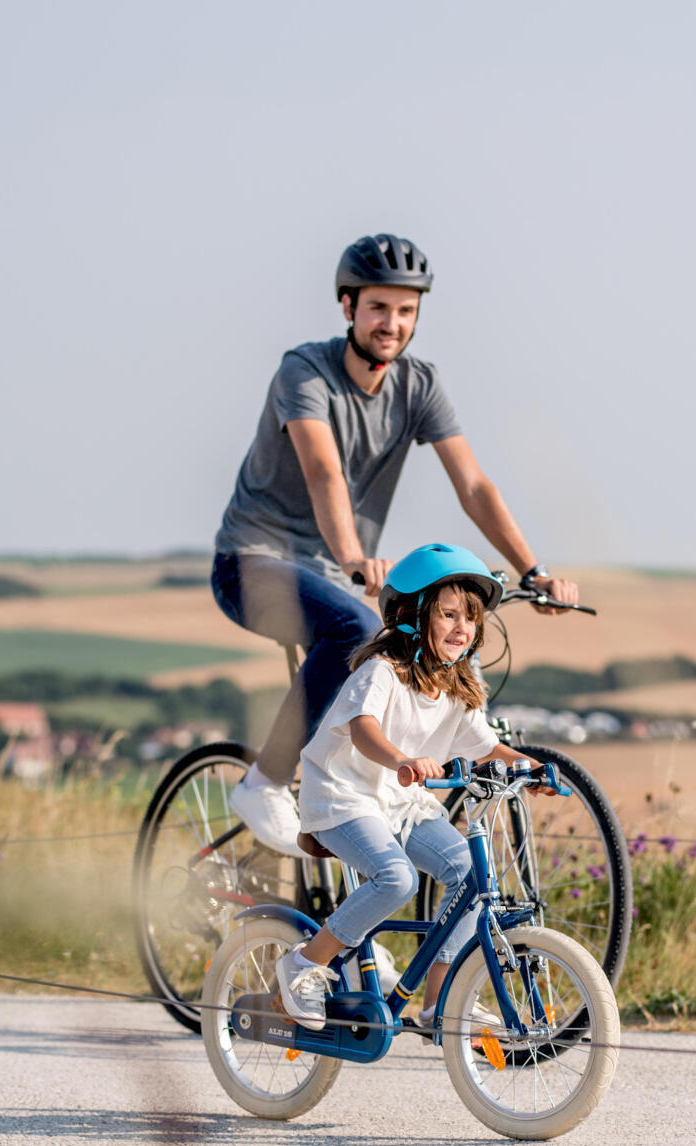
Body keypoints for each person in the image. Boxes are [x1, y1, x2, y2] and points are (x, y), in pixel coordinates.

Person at [213, 233, 578, 856]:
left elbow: (473, 483)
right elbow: (324, 470)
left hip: (339, 572)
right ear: (348, 306)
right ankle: (264, 783)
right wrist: (354, 557)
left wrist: (534, 569)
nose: (393, 323)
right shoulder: (304, 371)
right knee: (354, 628)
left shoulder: (419, 385)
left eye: (406, 310)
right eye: (379, 307)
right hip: (255, 561)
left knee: (405, 655)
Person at [272, 544, 543, 1031]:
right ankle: (305, 965)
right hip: (343, 796)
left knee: (469, 874)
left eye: (471, 618)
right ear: (413, 616)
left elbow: (485, 747)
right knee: (397, 880)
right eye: (448, 614)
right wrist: (401, 760)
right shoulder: (382, 671)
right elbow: (363, 728)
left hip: (400, 804)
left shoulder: (455, 689)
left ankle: (438, 1000)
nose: (463, 627)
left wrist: (531, 768)